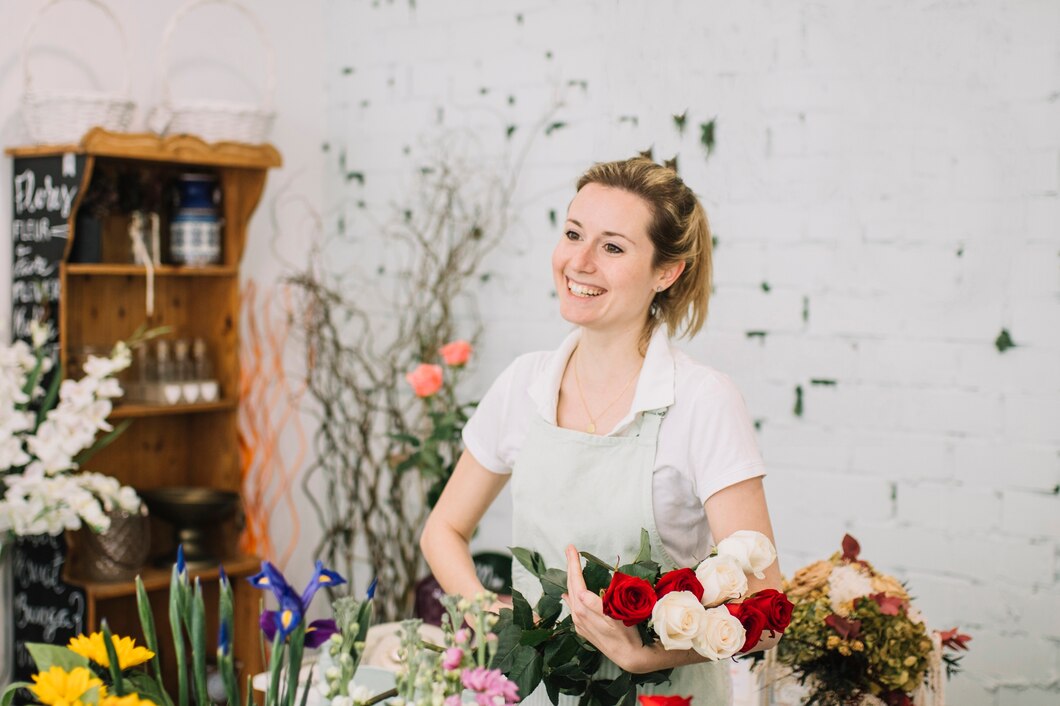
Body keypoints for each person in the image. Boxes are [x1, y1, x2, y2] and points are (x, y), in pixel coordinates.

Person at [420, 156, 782, 703]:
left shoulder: (702, 401)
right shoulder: (524, 384)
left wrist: (646, 654)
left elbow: (766, 602)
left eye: (612, 247)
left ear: (667, 271)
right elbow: (442, 530)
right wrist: (485, 611)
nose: (579, 261)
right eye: (572, 234)